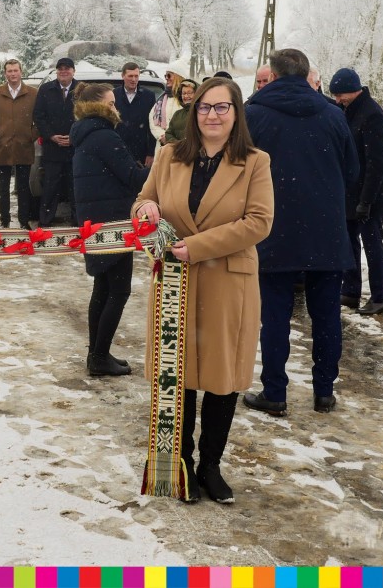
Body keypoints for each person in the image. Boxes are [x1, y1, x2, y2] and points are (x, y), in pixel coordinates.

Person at [134, 77, 274, 503]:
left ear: (236, 113)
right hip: (175, 284)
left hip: (227, 282)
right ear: (193, 113)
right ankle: (181, 463)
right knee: (178, 374)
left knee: (220, 376)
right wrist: (146, 208)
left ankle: (211, 465)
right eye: (204, 107)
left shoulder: (255, 162)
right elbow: (142, 201)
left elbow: (258, 222)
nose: (212, 115)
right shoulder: (169, 155)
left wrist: (196, 247)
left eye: (221, 107)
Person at [242, 49, 358, 417]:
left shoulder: (254, 114)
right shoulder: (333, 114)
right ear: (308, 74)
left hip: (274, 227)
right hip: (326, 229)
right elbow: (352, 171)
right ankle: (324, 392)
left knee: (275, 315)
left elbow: (238, 170)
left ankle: (275, 392)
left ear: (274, 76)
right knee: (326, 316)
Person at [71, 83, 149, 377]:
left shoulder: (85, 133)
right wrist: (163, 166)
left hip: (95, 220)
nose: (116, 108)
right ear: (99, 106)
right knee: (118, 290)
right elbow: (133, 177)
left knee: (103, 289)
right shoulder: (104, 135)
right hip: (113, 222)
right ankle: (99, 356)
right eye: (112, 103)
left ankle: (96, 353)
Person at [329, 68, 383, 315]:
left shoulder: (372, 114)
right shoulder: (349, 110)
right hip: (351, 193)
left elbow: (376, 164)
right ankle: (351, 291)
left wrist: (366, 202)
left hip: (371, 195)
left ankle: (378, 298)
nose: (337, 100)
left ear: (353, 90)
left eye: (340, 95)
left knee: (372, 245)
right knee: (349, 243)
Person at [0, 59, 38, 229]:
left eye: (15, 70)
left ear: (21, 72)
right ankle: (4, 220)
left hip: (24, 147)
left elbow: (40, 119)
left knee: (23, 187)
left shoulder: (33, 93)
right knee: (3, 187)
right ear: (5, 73)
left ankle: (23, 220)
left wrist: (30, 136)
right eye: (9, 71)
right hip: (3, 148)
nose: (13, 74)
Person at [33, 57, 78, 227]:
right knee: (50, 187)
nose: (63, 71)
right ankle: (45, 221)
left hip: (76, 149)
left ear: (73, 71)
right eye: (60, 69)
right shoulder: (46, 89)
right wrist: (51, 136)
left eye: (67, 68)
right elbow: (38, 116)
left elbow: (87, 116)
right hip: (52, 148)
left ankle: (78, 222)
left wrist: (74, 137)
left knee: (76, 187)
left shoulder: (82, 90)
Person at [114, 62, 157, 167]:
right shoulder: (114, 95)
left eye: (136, 76)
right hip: (117, 151)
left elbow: (153, 126)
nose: (133, 79)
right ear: (122, 76)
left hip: (142, 154)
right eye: (130, 76)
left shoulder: (149, 96)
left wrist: (151, 153)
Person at [149, 60, 186, 161]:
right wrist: (162, 136)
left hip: (181, 149)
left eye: (169, 75)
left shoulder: (186, 98)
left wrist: (171, 139)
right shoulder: (162, 98)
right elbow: (152, 120)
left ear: (178, 76)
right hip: (162, 147)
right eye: (165, 76)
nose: (166, 78)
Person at [164, 79, 198, 144]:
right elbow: (168, 133)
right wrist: (177, 144)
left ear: (196, 94)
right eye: (183, 93)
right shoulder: (177, 114)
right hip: (178, 149)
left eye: (189, 93)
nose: (186, 96)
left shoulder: (201, 113)